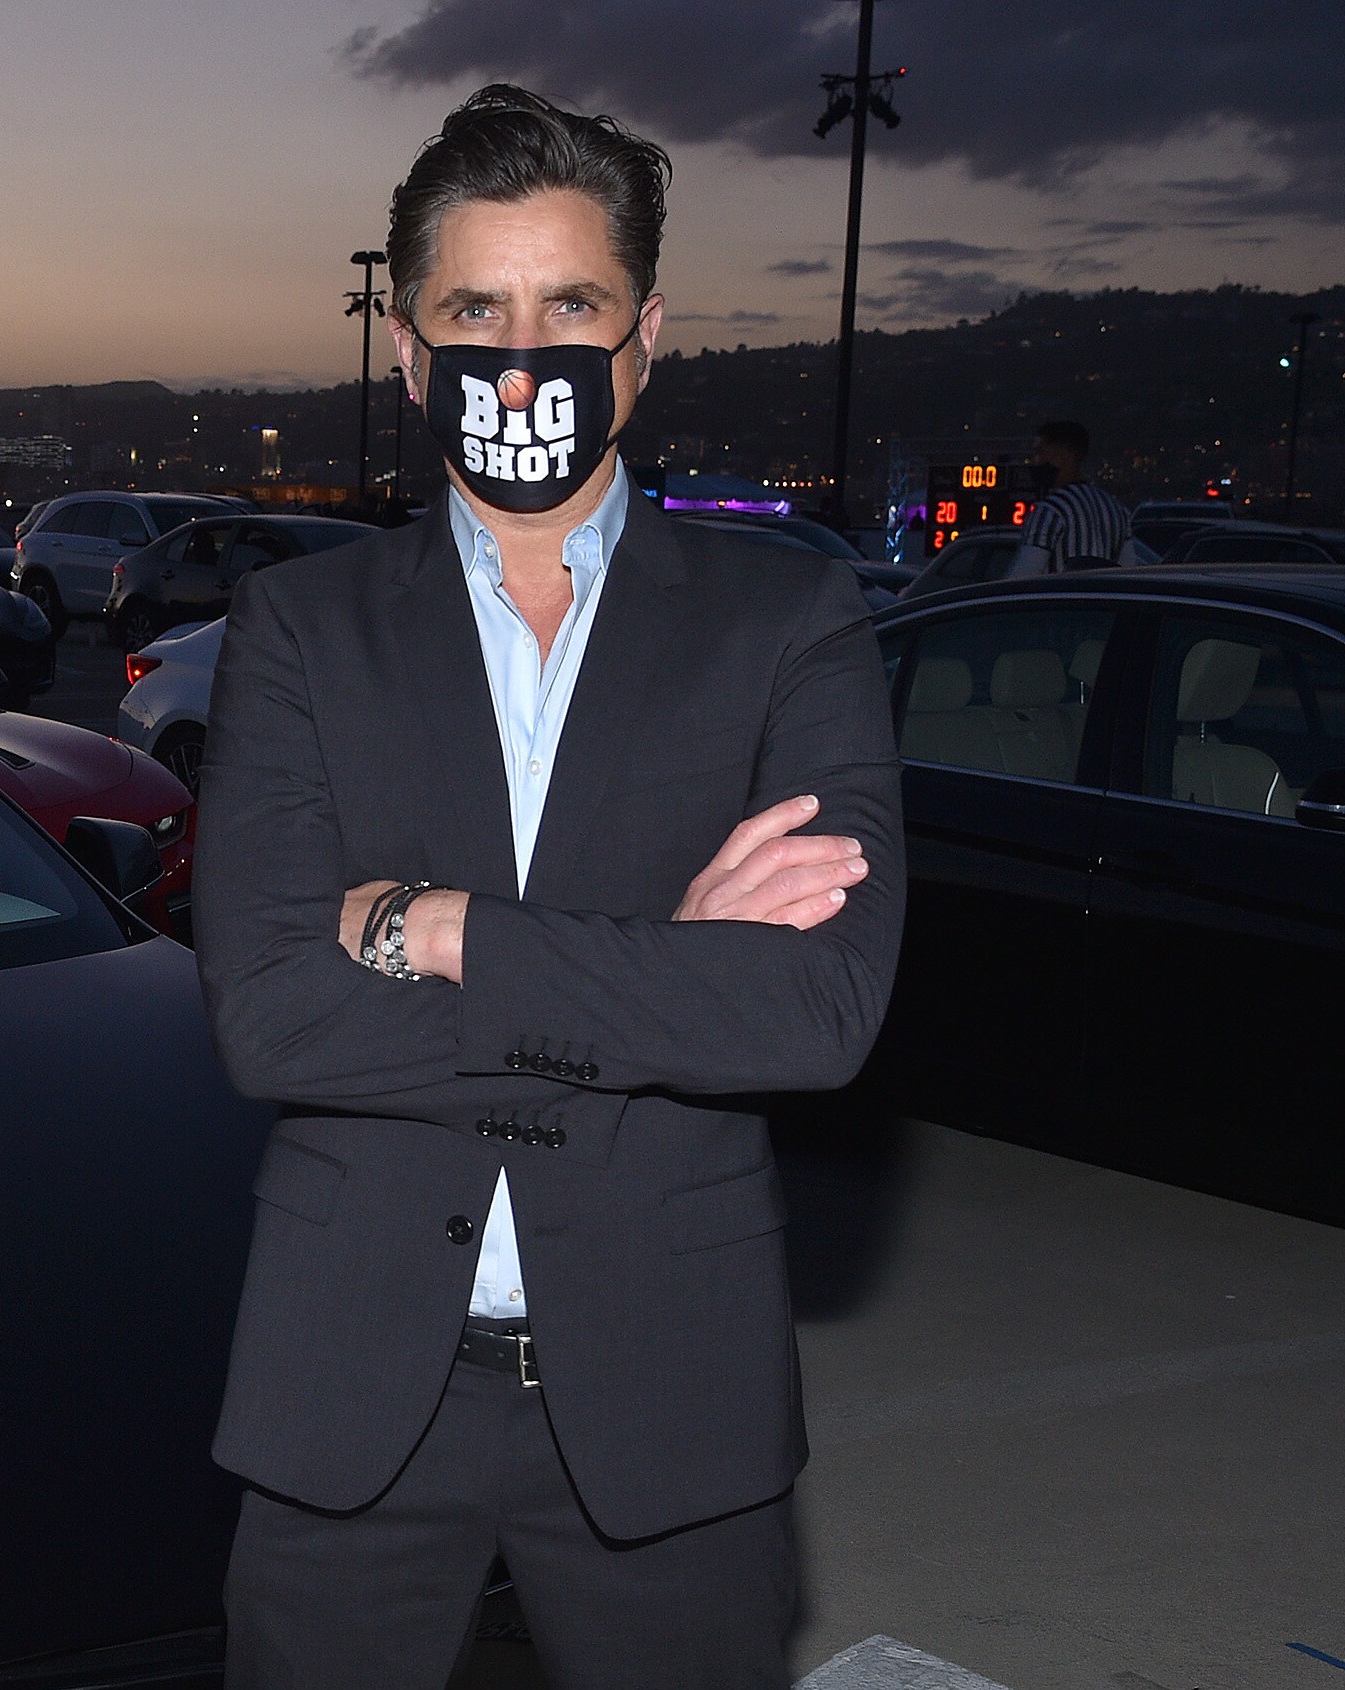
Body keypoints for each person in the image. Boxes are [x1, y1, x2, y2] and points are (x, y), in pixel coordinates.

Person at [195, 84, 902, 1687]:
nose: (525, 353)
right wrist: (664, 970)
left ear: (648, 331)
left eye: (570, 304)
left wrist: (435, 926)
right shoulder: (303, 630)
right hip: (351, 1387)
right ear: (408, 349)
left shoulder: (787, 619)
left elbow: (817, 1010)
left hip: (672, 1391)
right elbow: (273, 1020)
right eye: (476, 310)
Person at [1008, 419, 1131, 574]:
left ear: (1060, 457)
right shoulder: (1116, 510)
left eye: (1039, 452)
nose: (1034, 461)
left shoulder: (1050, 511)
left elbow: (1022, 575)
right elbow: (1127, 569)